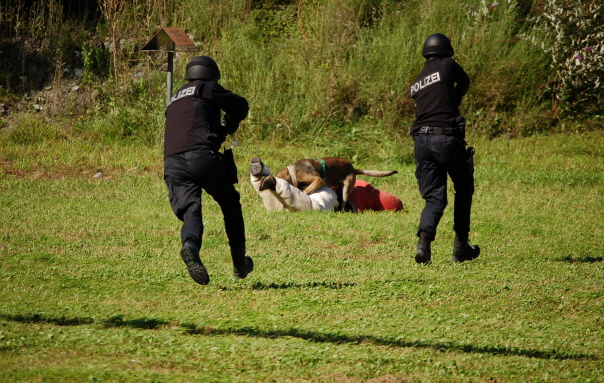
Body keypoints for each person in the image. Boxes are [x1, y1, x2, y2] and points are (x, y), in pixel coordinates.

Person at [163, 55, 253, 285]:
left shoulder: (175, 98)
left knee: (191, 211)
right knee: (230, 202)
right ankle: (239, 264)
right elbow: (240, 106)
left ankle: (190, 246)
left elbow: (196, 122)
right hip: (200, 157)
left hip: (172, 163)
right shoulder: (206, 87)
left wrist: (220, 129)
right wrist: (231, 121)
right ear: (212, 75)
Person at [408, 33, 480, 264]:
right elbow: (465, 80)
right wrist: (454, 101)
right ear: (447, 50)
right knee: (464, 189)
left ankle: (423, 245)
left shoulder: (416, 83)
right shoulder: (448, 64)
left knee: (434, 199)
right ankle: (460, 248)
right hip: (445, 139)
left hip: (421, 142)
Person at [249, 157, 403, 212]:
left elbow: (319, 181)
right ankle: (265, 179)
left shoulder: (302, 173)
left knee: (306, 202)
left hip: (345, 174)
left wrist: (305, 194)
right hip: (326, 189)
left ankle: (261, 177)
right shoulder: (299, 172)